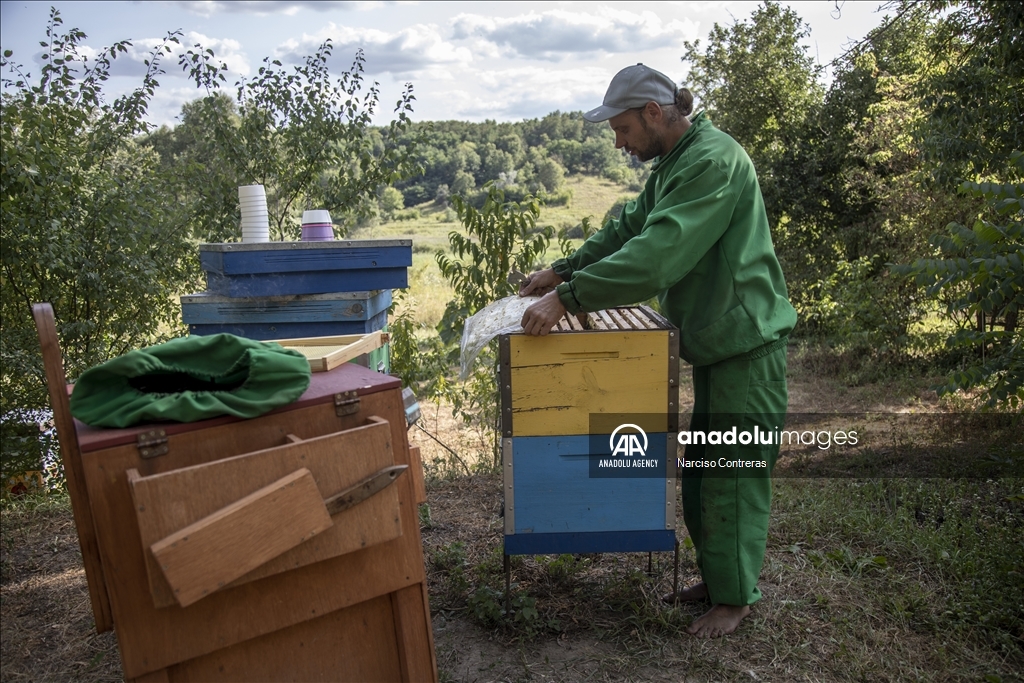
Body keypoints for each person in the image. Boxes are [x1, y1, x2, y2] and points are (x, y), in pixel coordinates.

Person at [519, 64, 796, 638]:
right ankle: (719, 579)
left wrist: (569, 299)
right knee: (701, 475)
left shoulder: (713, 160)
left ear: (653, 111)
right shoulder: (677, 163)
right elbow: (628, 229)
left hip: (747, 346)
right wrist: (562, 268)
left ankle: (735, 600)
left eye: (622, 129)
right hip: (721, 347)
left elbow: (657, 255)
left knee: (732, 478)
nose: (619, 143)